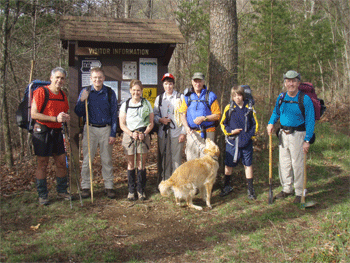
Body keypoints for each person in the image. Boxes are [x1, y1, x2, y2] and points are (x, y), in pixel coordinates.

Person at [267, 70, 315, 204]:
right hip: (283, 134)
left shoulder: (304, 99)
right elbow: (276, 112)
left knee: (297, 164)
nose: (291, 84)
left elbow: (310, 121)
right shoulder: (281, 97)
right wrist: (271, 123)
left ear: (298, 83)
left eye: (293, 81)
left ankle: (299, 192)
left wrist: (307, 140)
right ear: (285, 83)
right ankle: (287, 188)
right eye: (288, 81)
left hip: (298, 135)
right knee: (284, 163)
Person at [74, 67, 118, 199]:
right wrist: (82, 100)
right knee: (88, 159)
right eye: (95, 77)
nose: (97, 80)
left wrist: (113, 133)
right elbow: (78, 112)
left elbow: (114, 114)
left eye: (100, 77)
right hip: (90, 128)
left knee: (106, 159)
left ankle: (109, 186)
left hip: (106, 129)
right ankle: (86, 186)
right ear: (91, 79)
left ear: (103, 78)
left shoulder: (109, 93)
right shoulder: (86, 91)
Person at [31, 67, 71, 205]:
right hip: (42, 130)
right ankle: (43, 195)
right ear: (51, 78)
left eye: (62, 78)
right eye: (57, 77)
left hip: (57, 132)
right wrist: (55, 119)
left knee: (61, 162)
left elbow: (63, 113)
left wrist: (65, 118)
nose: (59, 80)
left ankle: (62, 191)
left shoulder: (63, 95)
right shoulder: (41, 92)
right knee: (43, 163)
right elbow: (34, 114)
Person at [219, 85, 258, 199]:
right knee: (228, 164)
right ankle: (227, 186)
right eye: (235, 95)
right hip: (232, 142)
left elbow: (255, 125)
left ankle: (250, 189)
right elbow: (223, 124)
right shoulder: (229, 108)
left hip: (246, 142)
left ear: (243, 95)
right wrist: (231, 131)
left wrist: (249, 136)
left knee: (248, 165)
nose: (237, 98)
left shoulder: (249, 108)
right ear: (232, 96)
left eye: (239, 95)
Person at [119, 80, 154, 201]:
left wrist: (144, 133)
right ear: (130, 91)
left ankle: (141, 190)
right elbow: (122, 124)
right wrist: (131, 133)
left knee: (141, 163)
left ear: (141, 91)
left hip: (143, 135)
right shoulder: (126, 104)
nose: (136, 92)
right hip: (129, 136)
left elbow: (151, 122)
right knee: (130, 164)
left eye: (138, 90)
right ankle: (131, 190)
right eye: (133, 90)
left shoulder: (146, 104)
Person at [178, 72, 221, 161]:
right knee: (191, 160)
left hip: (208, 132)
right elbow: (182, 113)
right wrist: (186, 127)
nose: (197, 84)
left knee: (207, 161)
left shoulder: (210, 96)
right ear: (192, 82)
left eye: (200, 81)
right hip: (192, 133)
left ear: (203, 82)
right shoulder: (188, 96)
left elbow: (217, 115)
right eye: (195, 81)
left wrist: (204, 118)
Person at [154, 73, 186, 183]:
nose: (168, 86)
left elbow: (184, 116)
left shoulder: (180, 97)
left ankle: (177, 182)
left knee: (176, 159)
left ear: (173, 84)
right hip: (163, 133)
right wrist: (160, 120)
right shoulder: (159, 99)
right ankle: (165, 181)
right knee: (165, 158)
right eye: (166, 84)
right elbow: (155, 115)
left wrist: (183, 132)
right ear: (163, 85)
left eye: (170, 84)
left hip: (177, 133)